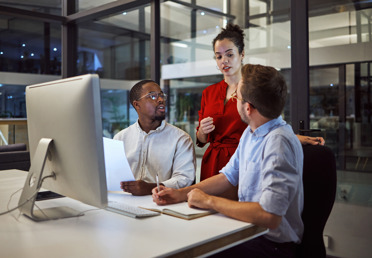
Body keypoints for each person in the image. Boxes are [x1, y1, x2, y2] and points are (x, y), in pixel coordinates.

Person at [153, 64, 304, 257]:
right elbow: (228, 176)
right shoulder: (251, 133)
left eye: (237, 97)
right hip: (250, 233)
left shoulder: (278, 142)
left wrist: (208, 201)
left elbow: (270, 216)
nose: (234, 99)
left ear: (248, 108)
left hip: (271, 245)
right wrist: (180, 193)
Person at [197, 23, 324, 181]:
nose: (224, 60)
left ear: (242, 54)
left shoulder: (253, 88)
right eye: (219, 56)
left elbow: (269, 125)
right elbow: (201, 140)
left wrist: (293, 137)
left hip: (245, 157)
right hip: (212, 164)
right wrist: (202, 132)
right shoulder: (208, 92)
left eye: (230, 54)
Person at [114, 80, 196, 196]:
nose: (161, 100)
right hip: (124, 200)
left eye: (162, 95)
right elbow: (112, 175)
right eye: (153, 96)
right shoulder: (120, 138)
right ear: (137, 105)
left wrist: (151, 188)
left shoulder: (181, 138)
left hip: (162, 202)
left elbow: (185, 179)